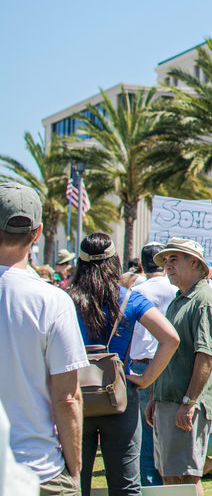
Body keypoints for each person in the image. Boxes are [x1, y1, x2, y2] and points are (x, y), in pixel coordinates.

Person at [68, 233, 179, 496]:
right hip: (119, 395)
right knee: (126, 485)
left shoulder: (64, 300)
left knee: (75, 484)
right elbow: (170, 339)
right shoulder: (128, 298)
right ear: (115, 261)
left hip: (74, 396)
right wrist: (145, 379)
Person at [0, 182, 89, 494]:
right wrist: (75, 471)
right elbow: (67, 397)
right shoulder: (51, 300)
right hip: (37, 470)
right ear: (36, 233)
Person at [147, 238, 212, 496]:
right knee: (173, 477)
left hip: (185, 403)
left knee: (184, 478)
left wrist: (189, 402)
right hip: (169, 400)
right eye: (165, 261)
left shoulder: (203, 300)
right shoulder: (181, 299)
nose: (167, 265)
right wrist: (154, 396)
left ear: (194, 263)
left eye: (174, 259)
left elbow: (206, 356)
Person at [129, 241, 177, 487]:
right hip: (172, 364)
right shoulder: (177, 288)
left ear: (141, 264)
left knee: (145, 435)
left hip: (144, 364)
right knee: (170, 430)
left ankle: (151, 485)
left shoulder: (137, 292)